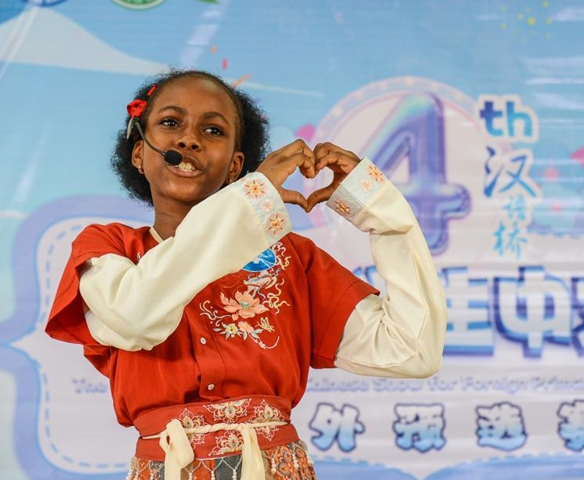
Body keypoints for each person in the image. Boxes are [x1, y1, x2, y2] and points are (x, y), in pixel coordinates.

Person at [46, 69, 447, 480]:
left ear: (236, 166)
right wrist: (249, 204)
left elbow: (411, 349)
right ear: (138, 153)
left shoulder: (291, 258)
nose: (189, 140)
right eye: (170, 123)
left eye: (213, 130)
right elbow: (134, 317)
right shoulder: (105, 249)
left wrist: (382, 214)